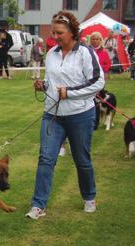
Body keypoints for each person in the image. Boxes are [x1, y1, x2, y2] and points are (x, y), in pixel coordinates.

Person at [26, 11, 104, 220]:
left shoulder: (86, 53)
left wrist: (69, 92)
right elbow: (52, 80)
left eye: (59, 32)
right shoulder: (51, 53)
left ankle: (89, 197)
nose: (55, 36)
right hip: (52, 115)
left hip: (80, 114)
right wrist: (44, 85)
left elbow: (97, 82)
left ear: (72, 32)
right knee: (45, 159)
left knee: (82, 160)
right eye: (53, 32)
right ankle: (38, 205)